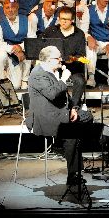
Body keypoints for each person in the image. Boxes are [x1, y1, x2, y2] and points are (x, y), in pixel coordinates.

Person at [26, 46, 92, 185]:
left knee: (87, 117)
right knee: (73, 135)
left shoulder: (51, 71)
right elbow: (52, 94)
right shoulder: (38, 74)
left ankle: (67, 153)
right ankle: (71, 170)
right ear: (49, 60)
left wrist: (73, 109)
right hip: (46, 117)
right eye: (58, 58)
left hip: (57, 111)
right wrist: (63, 79)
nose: (61, 60)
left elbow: (63, 97)